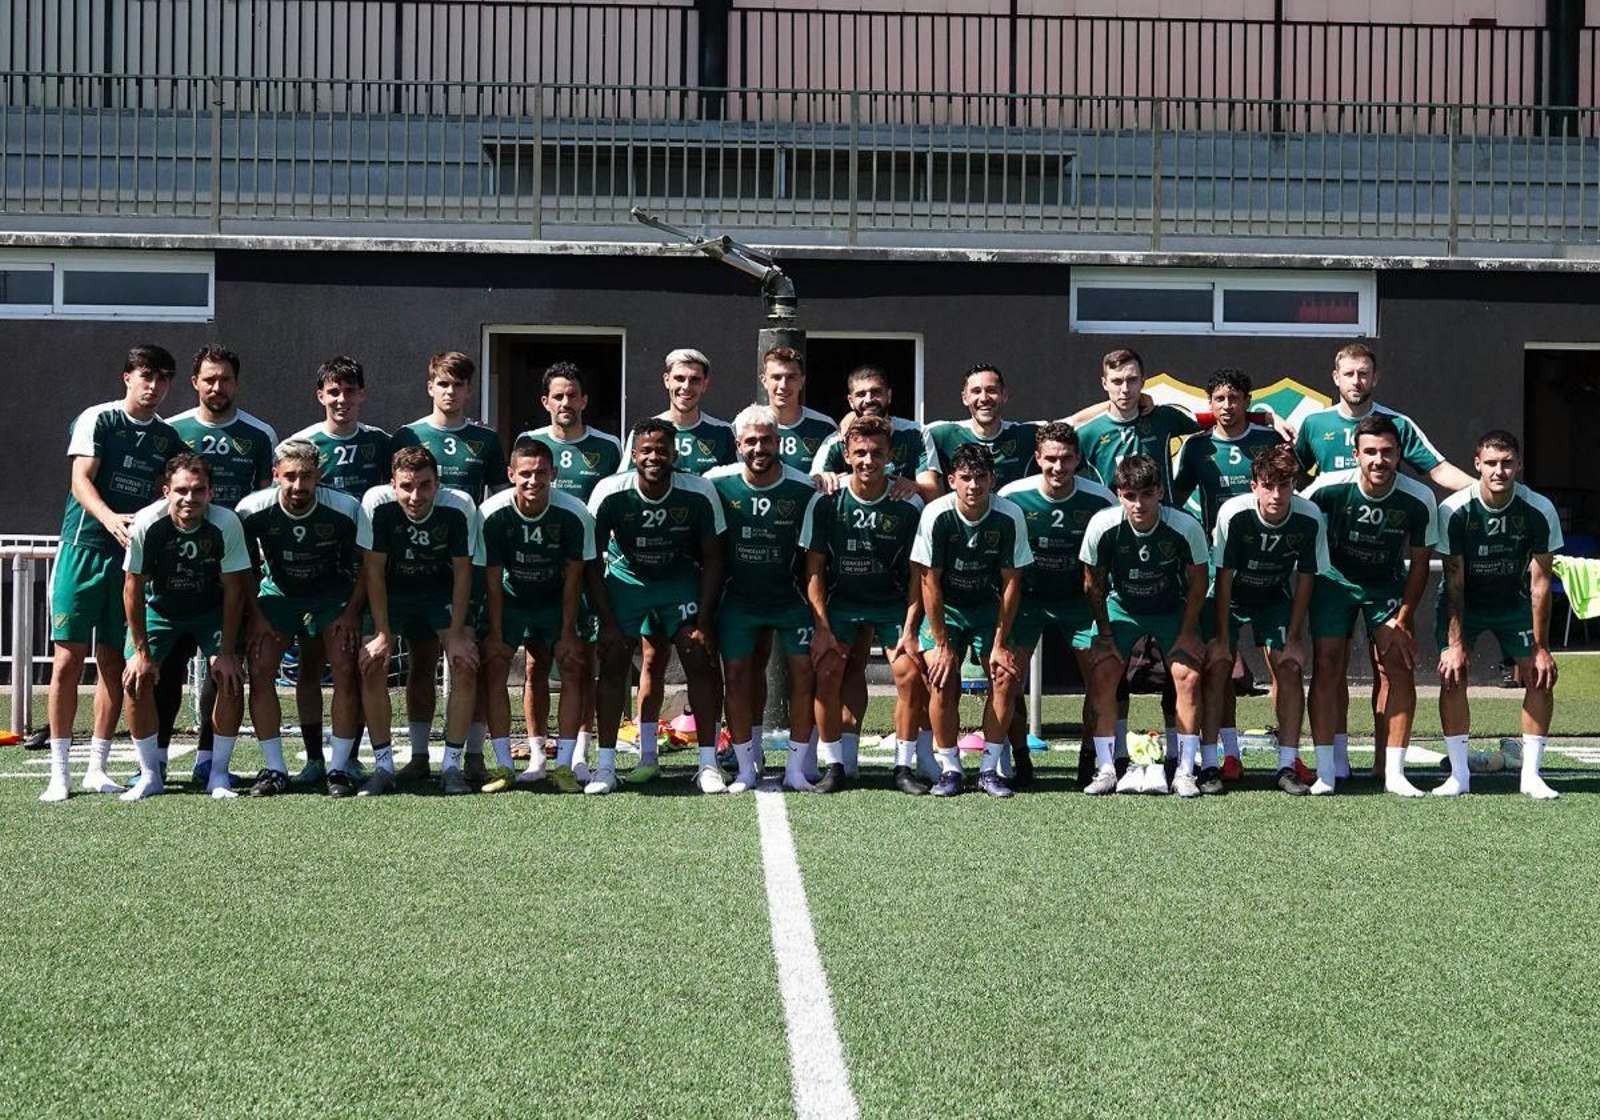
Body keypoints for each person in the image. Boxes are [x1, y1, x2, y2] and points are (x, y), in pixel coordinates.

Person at [1294, 341, 1473, 782]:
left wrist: (1485, 490)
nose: (1357, 381)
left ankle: (1385, 767)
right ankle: (1333, 764)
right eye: (1349, 373)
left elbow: (1438, 469)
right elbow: (1288, 482)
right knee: (1328, 665)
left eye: (1364, 373)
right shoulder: (1312, 424)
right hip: (1332, 573)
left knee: (1389, 666)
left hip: (1385, 574)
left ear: (1376, 378)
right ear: (1335, 378)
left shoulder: (1398, 425)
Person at [42, 345, 183, 803]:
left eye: (163, 379)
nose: (154, 386)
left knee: (115, 662)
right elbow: (80, 479)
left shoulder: (168, 438)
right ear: (127, 377)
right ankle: (58, 773)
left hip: (129, 559)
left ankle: (97, 767)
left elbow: (180, 487)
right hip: (83, 548)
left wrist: (143, 519)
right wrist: (109, 518)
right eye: (147, 376)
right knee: (67, 659)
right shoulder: (98, 419)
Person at [587, 419, 727, 794]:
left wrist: (705, 619)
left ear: (675, 454)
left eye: (661, 450)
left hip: (677, 576)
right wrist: (606, 619)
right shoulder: (610, 490)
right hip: (628, 576)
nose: (654, 457)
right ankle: (605, 766)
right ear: (633, 455)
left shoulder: (698, 491)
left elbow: (714, 557)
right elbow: (589, 559)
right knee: (615, 655)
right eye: (646, 450)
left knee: (696, 653)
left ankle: (708, 763)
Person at [160, 344, 277, 787]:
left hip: (234, 569)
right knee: (166, 671)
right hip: (177, 569)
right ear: (195, 383)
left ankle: (209, 759)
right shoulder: (171, 430)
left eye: (225, 378)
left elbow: (270, 503)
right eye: (209, 379)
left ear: (237, 382)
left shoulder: (260, 433)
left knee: (223, 666)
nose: (217, 386)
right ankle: (156, 758)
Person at [1305, 415, 1438, 797]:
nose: (1379, 460)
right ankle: (1328, 770)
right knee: (1328, 664)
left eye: (1387, 452)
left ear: (1398, 455)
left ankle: (1393, 772)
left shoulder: (1418, 497)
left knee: (1398, 665)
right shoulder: (1327, 488)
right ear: (1355, 455)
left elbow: (1420, 562)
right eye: (1370, 452)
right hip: (1334, 581)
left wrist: (1404, 617)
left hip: (1386, 584)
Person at [388, 351, 506, 784]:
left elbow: (496, 502)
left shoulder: (486, 440)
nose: (450, 392)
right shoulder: (406, 435)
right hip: (415, 565)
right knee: (420, 663)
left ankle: (471, 754)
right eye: (443, 383)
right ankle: (419, 754)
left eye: (458, 385)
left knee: (466, 658)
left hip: (465, 564)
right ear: (430, 386)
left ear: (470, 390)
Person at [618, 348, 737, 776]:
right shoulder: (644, 433)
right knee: (651, 659)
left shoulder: (724, 434)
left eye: (694, 380)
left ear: (706, 384)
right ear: (666, 381)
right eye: (679, 379)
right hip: (650, 568)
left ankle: (716, 750)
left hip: (701, 569)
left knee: (705, 657)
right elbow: (623, 493)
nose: (686, 387)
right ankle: (646, 753)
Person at [801, 416, 929, 795]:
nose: (868, 460)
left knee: (909, 673)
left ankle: (903, 767)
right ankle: (835, 765)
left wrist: (909, 629)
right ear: (846, 454)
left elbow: (919, 575)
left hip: (891, 603)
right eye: (860, 453)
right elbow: (813, 571)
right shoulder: (825, 501)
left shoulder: (908, 504)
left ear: (890, 456)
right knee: (827, 671)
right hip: (841, 602)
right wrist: (822, 628)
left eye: (876, 453)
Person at [237, 439, 371, 796]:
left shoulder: (345, 508)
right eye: (291, 477)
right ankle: (275, 769)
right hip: (280, 594)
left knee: (343, 667)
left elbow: (366, 567)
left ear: (320, 476)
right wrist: (255, 616)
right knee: (261, 668)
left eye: (307, 477)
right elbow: (241, 568)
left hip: (332, 595)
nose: (299, 486)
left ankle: (339, 768)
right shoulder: (251, 509)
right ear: (275, 475)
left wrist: (352, 612)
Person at [1435, 430, 1564, 798]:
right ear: (1477, 465)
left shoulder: (1539, 508)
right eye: (1491, 463)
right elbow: (1454, 581)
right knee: (1452, 673)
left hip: (1513, 600)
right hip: (1466, 602)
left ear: (1519, 465)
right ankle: (1459, 775)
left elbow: (1540, 584)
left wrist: (1541, 647)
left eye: (1507, 463)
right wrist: (1455, 643)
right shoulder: (1454, 510)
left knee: (1541, 676)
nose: (1499, 471)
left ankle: (1532, 776)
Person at [1171, 368, 1286, 782]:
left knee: (1284, 664)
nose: (1227, 406)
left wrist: (1273, 422)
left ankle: (1288, 756)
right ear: (1210, 403)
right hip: (1221, 568)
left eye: (1234, 398)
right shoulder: (1198, 449)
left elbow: (1293, 491)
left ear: (1247, 401)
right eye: (1219, 399)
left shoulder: (1267, 442)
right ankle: (1229, 754)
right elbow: (1176, 500)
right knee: (1220, 663)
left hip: (1271, 566)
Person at [119, 454, 251, 801]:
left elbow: (236, 588)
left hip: (212, 610)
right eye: (181, 490)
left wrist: (226, 653)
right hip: (161, 609)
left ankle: (217, 773)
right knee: (137, 678)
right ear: (166, 491)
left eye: (198, 490)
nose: (189, 498)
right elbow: (132, 587)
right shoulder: (148, 522)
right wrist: (142, 653)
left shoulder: (226, 523)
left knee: (230, 676)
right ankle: (150, 774)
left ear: (210, 493)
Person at [286, 354, 391, 783]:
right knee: (309, 665)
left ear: (362, 394)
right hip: (315, 570)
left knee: (353, 664)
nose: (341, 398)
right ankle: (314, 757)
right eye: (333, 391)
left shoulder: (382, 442)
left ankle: (346, 756)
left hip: (363, 569)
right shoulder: (300, 444)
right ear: (320, 396)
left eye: (349, 390)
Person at [1079, 455, 1210, 797]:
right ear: (1119, 493)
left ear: (1160, 492)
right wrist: (1105, 634)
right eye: (1130, 495)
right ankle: (1107, 768)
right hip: (1122, 608)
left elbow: (1199, 582)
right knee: (1103, 674)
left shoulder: (1185, 526)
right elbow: (1093, 585)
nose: (1139, 504)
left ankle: (1184, 770)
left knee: (1189, 677)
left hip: (1171, 609)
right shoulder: (1102, 525)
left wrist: (1186, 632)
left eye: (1147, 494)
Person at [356, 446, 484, 796]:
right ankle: (384, 767)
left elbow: (462, 572)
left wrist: (457, 634)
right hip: (394, 591)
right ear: (393, 484)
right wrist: (382, 634)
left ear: (437, 483)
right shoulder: (375, 503)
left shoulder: (459, 506)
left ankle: (452, 767)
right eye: (407, 487)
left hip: (441, 591)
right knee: (371, 663)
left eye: (425, 486)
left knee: (464, 663)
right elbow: (374, 571)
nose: (416, 496)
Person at [708, 405, 820, 793]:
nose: (759, 447)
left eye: (766, 440)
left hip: (790, 598)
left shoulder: (805, 487)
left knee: (804, 674)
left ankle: (796, 769)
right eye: (751, 441)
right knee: (737, 677)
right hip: (738, 599)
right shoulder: (716, 482)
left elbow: (815, 554)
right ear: (738, 444)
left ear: (780, 442)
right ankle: (744, 768)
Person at [912, 443, 1034, 798]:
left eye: (981, 477)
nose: (974, 486)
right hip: (945, 610)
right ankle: (950, 768)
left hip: (987, 609)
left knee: (1005, 678)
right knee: (941, 677)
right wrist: (942, 644)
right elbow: (928, 581)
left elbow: (1012, 582)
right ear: (951, 480)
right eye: (965, 478)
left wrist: (998, 645)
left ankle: (988, 770)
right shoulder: (936, 514)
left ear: (993, 479)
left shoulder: (1009, 515)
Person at [1205, 445, 1329, 796]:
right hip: (1229, 596)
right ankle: (1217, 761)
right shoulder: (1233, 513)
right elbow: (1224, 577)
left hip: (1274, 596)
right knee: (1217, 666)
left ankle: (1287, 764)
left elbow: (1305, 578)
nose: (1277, 494)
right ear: (1254, 485)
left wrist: (1294, 638)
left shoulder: (1309, 516)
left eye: (1285, 485)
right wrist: (1222, 639)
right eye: (1268, 485)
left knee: (1290, 667)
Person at [514, 362, 621, 767]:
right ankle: (538, 750)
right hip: (538, 571)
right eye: (558, 396)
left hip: (590, 568)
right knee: (535, 663)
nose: (565, 402)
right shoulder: (529, 441)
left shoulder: (608, 446)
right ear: (545, 401)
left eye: (572, 395)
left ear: (585, 400)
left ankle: (579, 750)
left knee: (580, 660)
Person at [998, 422, 1116, 787]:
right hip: (1027, 602)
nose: (1058, 467)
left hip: (1079, 603)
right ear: (1037, 458)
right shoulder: (1012, 497)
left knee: (1100, 678)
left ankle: (1088, 762)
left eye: (1066, 459)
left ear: (1078, 459)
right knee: (1005, 678)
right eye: (1050, 459)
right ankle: (1020, 760)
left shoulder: (1101, 499)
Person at [477, 439, 596, 793]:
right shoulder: (492, 513)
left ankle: (564, 765)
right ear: (511, 474)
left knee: (572, 664)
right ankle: (505, 765)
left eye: (541, 473)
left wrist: (568, 633)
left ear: (554, 474)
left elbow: (575, 578)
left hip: (557, 597)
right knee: (497, 664)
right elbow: (493, 581)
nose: (533, 481)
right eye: (525, 474)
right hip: (513, 599)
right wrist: (496, 634)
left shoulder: (574, 513)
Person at [811, 364, 934, 498]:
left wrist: (915, 486)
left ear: (889, 395)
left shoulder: (916, 433)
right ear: (851, 401)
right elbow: (814, 485)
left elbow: (932, 492)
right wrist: (824, 479)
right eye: (861, 394)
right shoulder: (836, 441)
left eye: (876, 392)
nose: (868, 400)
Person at [918, 364, 1039, 492]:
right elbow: (903, 434)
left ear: (1004, 395)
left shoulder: (1027, 434)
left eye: (991, 390)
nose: (984, 398)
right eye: (976, 391)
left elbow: (1060, 426)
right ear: (965, 398)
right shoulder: (943, 434)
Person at [759, 346, 836, 472]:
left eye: (791, 377)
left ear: (802, 381)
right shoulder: (745, 425)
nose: (783, 385)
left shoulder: (824, 427)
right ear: (764, 381)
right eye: (776, 377)